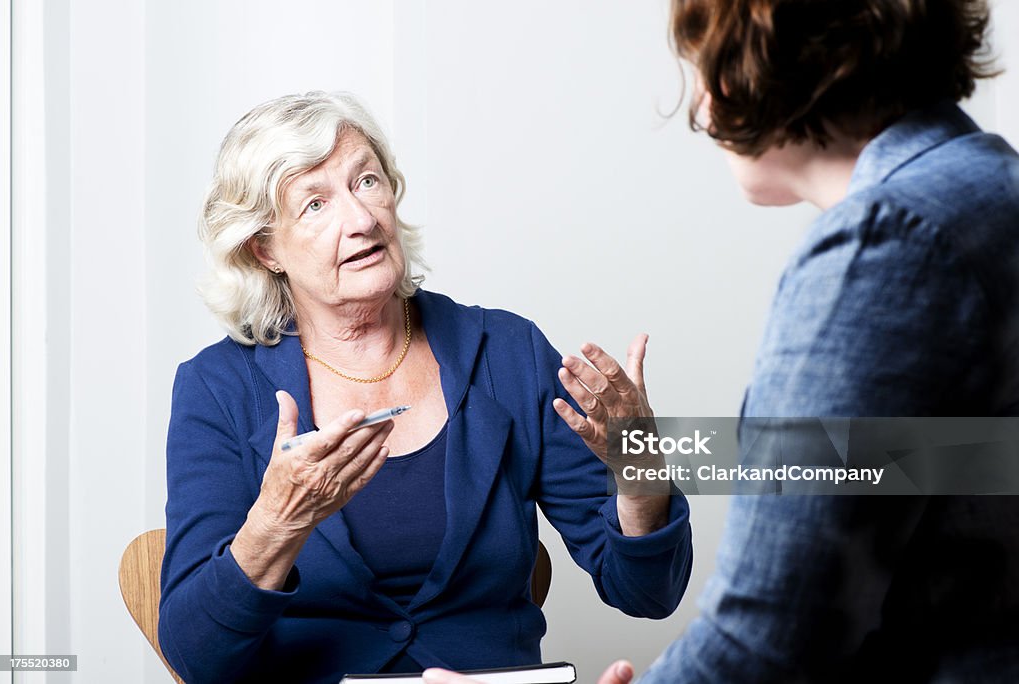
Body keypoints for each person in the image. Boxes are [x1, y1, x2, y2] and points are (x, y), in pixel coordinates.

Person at [424, 0, 1019, 682]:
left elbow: (771, 633)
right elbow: (916, 483)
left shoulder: (883, 244)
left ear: (774, 63)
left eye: (709, 72)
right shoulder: (991, 187)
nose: (702, 111)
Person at [158, 91, 693, 683]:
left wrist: (640, 470)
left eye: (366, 180)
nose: (361, 219)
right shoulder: (217, 388)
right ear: (266, 249)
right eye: (314, 204)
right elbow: (196, 655)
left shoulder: (507, 353)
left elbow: (648, 592)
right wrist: (278, 522)